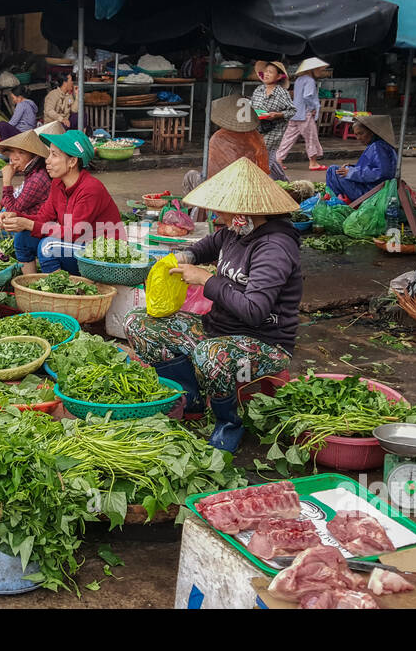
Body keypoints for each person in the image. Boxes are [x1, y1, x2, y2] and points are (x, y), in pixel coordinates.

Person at [124, 157, 303, 452]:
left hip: (264, 342)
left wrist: (206, 280)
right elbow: (204, 247)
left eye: (223, 209)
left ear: (243, 212)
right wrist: (183, 259)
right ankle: (190, 399)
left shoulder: (275, 248)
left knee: (211, 354)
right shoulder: (235, 232)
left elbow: (254, 311)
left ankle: (228, 422)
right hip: (216, 329)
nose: (217, 215)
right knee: (138, 323)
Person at [0, 129, 123, 273]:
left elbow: (75, 233)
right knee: (23, 238)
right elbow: (44, 217)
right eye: (49, 153)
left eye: (54, 155)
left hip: (102, 256)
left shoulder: (90, 189)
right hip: (76, 246)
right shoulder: (58, 183)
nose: (47, 160)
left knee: (48, 246)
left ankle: (60, 292)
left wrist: (29, 224)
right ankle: (31, 287)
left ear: (72, 161)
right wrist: (18, 218)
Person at [0, 121, 60, 274]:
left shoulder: (38, 177)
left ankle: (31, 278)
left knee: (15, 232)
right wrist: (2, 201)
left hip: (52, 229)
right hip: (44, 222)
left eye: (21, 153)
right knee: (5, 218)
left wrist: (6, 181)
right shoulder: (33, 172)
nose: (14, 158)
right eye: (12, 153)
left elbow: (14, 208)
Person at [326, 113, 398, 203]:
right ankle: (339, 198)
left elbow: (381, 173)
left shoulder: (378, 147)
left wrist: (351, 172)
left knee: (332, 171)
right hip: (370, 188)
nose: (358, 138)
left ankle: (338, 200)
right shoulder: (378, 145)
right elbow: (372, 167)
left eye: (361, 133)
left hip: (370, 192)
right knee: (336, 170)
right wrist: (352, 167)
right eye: (356, 135)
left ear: (371, 132)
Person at [276, 57, 330, 172]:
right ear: (312, 69)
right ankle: (313, 163)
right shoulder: (310, 81)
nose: (320, 72)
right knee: (311, 137)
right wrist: (312, 108)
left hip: (295, 113)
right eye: (319, 69)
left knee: (288, 138)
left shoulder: (299, 79)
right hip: (305, 114)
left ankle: (278, 160)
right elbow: (307, 96)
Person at [247, 60, 295, 182]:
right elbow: (252, 106)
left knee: (265, 156)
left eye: (270, 72)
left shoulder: (282, 93)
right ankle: (284, 181)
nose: (267, 74)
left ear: (279, 76)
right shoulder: (258, 90)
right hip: (258, 128)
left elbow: (292, 111)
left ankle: (261, 182)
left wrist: (277, 115)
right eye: (265, 72)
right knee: (267, 156)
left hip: (274, 131)